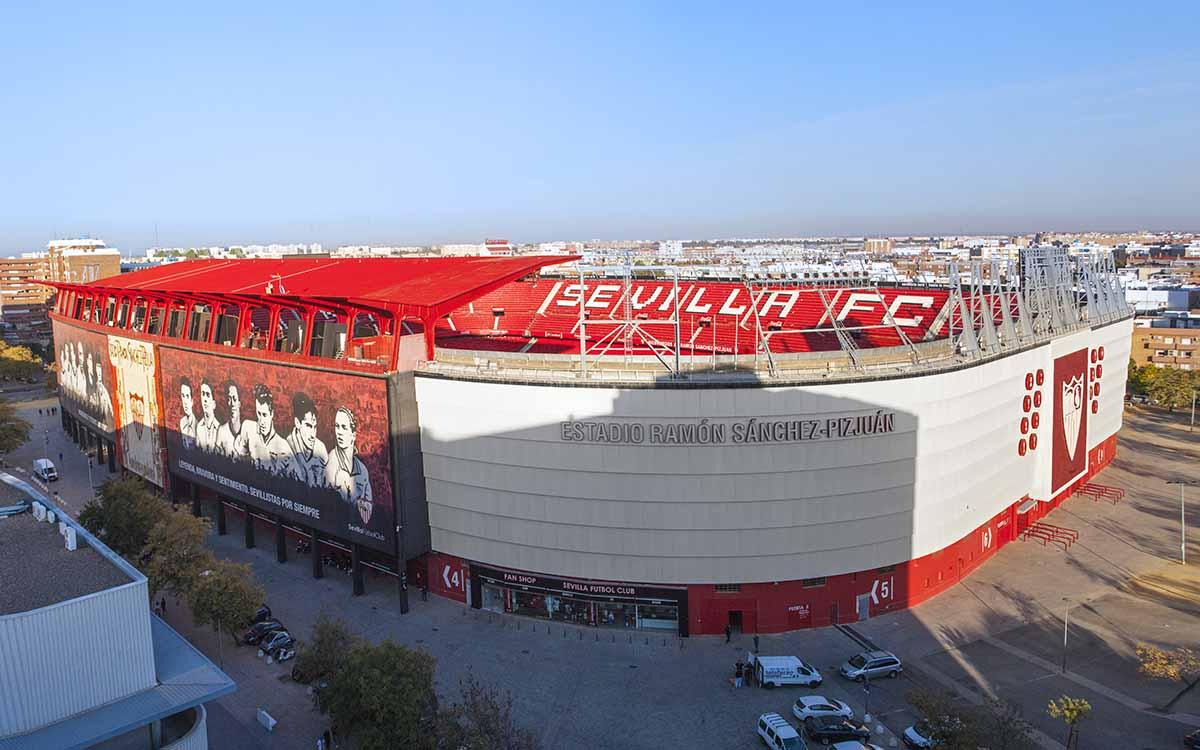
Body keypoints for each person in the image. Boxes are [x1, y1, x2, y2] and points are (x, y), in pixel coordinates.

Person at [326, 407, 373, 524]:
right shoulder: (331, 460)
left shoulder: (362, 470)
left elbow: (368, 513)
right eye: (337, 426)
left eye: (344, 427)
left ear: (353, 434)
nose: (339, 432)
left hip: (357, 530)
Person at [245, 384, 293, 475]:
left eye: (264, 415)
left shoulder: (284, 447)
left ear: (272, 413)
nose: (261, 421)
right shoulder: (248, 429)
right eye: (258, 413)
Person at [287, 392, 329, 487]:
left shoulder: (320, 448)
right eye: (308, 426)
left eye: (314, 427)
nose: (312, 435)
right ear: (297, 423)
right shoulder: (288, 447)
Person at [216, 381, 249, 459]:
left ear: (239, 403)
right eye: (229, 399)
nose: (232, 403)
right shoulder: (221, 431)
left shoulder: (249, 432)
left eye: (234, 398)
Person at [195, 379, 220, 453]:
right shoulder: (199, 427)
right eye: (203, 394)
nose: (205, 399)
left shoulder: (219, 428)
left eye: (208, 395)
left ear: (214, 404)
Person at [178, 377, 198, 449]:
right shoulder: (182, 422)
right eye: (183, 396)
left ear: (192, 400)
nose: (185, 401)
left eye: (187, 396)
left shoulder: (198, 424)